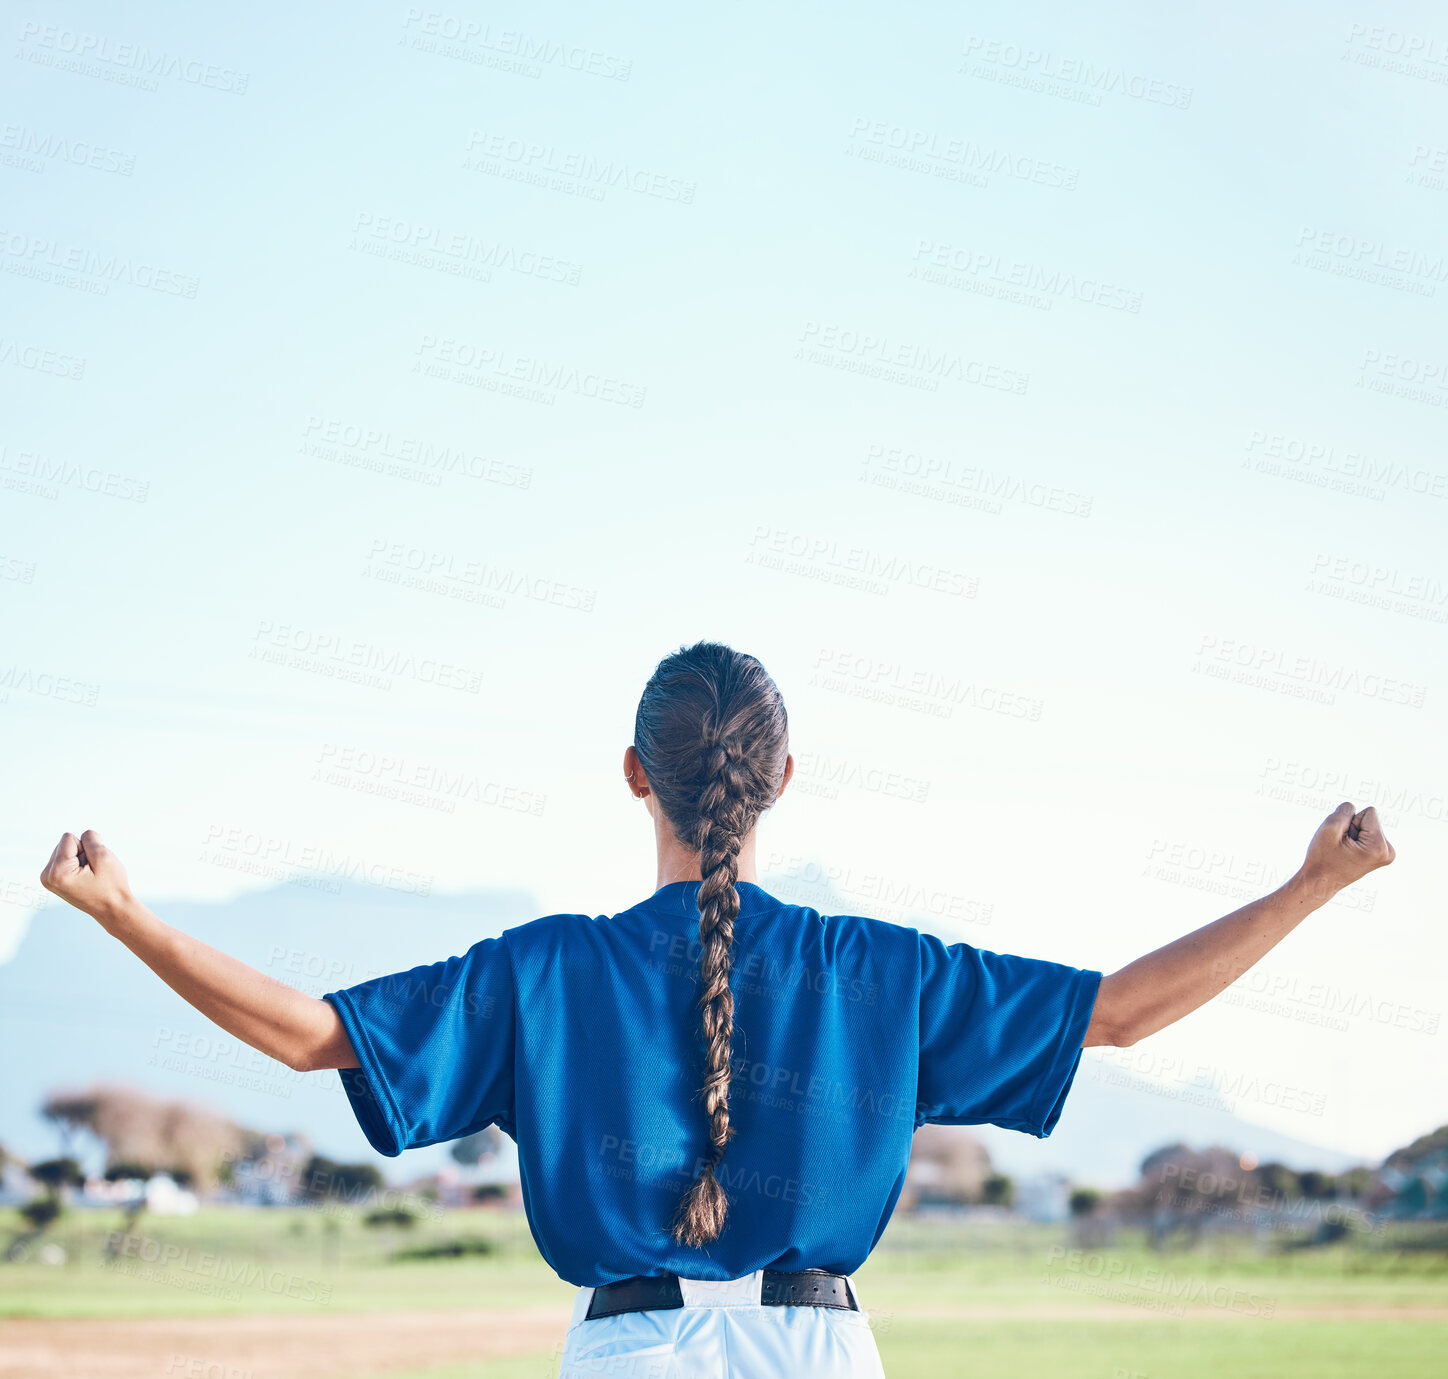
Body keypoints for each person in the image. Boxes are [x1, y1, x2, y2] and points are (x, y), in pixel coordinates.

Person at [38, 640, 1396, 1378]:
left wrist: (127, 916)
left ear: (634, 773)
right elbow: (1118, 1015)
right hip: (819, 1350)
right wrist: (1305, 890)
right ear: (786, 776)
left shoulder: (551, 970)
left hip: (628, 1351)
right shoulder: (880, 969)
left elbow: (309, 1035)